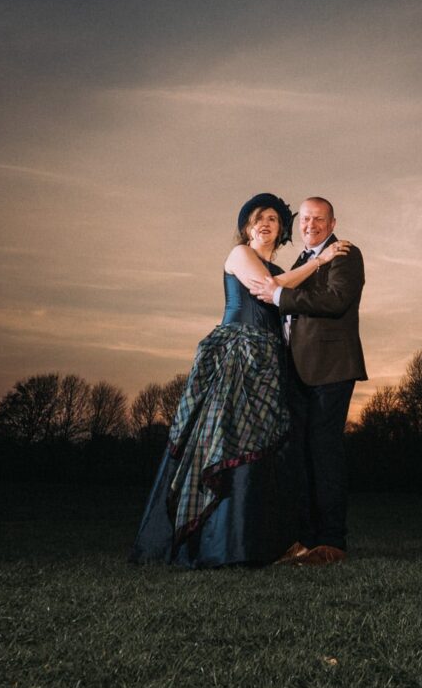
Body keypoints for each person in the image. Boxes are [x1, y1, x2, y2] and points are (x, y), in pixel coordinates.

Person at [129, 193, 350, 568]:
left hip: (267, 360)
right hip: (237, 356)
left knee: (265, 451)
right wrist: (321, 260)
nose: (265, 223)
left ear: (281, 232)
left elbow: (286, 298)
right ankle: (220, 544)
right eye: (257, 218)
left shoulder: (275, 263)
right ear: (247, 227)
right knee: (226, 444)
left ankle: (261, 541)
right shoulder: (240, 256)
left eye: (273, 220)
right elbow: (269, 288)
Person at [251, 196, 366, 566]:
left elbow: (335, 300)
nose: (310, 224)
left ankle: (332, 542)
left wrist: (281, 295)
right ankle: (305, 539)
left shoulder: (346, 253)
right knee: (299, 456)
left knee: (324, 452)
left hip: (331, 367)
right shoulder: (302, 261)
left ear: (332, 224)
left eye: (319, 219)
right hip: (298, 372)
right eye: (305, 219)